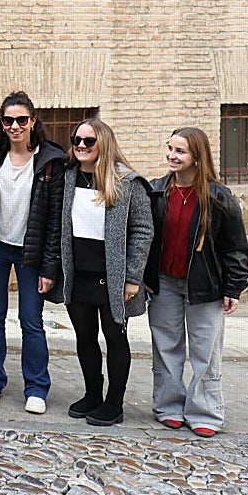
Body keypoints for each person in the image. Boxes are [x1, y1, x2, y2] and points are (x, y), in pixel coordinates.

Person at [146, 127, 248, 438]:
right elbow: (146, 239)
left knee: (206, 352)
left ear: (196, 158)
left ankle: (205, 413)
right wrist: (146, 277)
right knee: (166, 347)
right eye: (170, 149)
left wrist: (234, 288)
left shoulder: (219, 197)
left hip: (205, 288)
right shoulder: (157, 191)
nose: (171, 156)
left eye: (180, 151)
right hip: (164, 284)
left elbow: (236, 247)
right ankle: (168, 407)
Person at [59, 118, 153, 427]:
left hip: (112, 275)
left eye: (89, 141)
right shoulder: (68, 177)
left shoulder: (128, 182)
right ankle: (92, 394)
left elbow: (142, 231)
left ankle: (115, 402)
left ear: (105, 144)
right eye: (77, 140)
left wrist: (133, 277)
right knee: (84, 335)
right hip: (78, 272)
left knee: (115, 335)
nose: (81, 146)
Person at [0, 92, 67, 414]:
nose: (14, 126)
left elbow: (56, 218)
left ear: (32, 121)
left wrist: (50, 266)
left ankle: (36, 387)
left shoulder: (49, 161)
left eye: (21, 120)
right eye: (8, 120)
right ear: (1, 124)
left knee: (31, 320)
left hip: (31, 251)